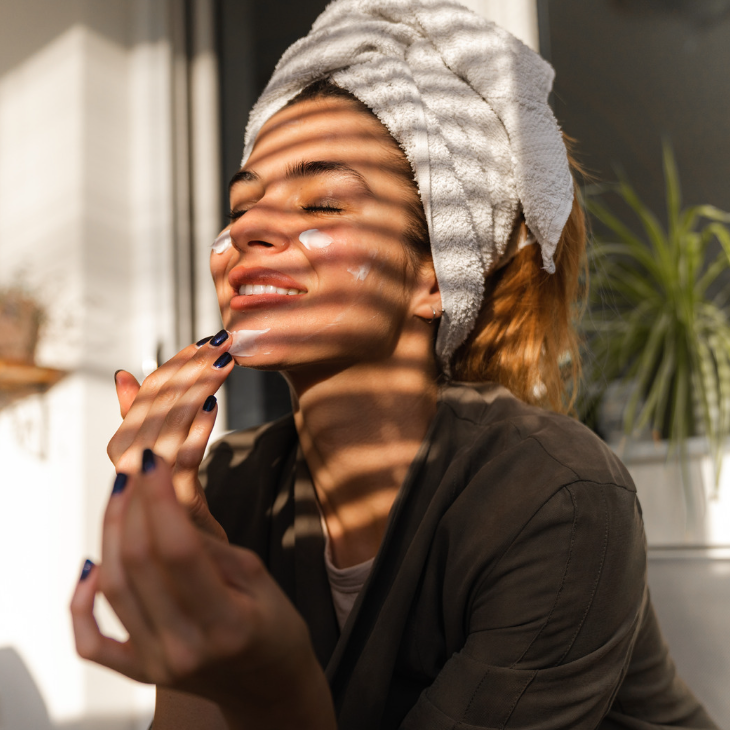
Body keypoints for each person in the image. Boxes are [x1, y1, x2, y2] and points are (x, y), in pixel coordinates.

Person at [70, 1, 718, 728]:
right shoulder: (232, 485)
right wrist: (186, 546)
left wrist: (277, 690)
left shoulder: (554, 498)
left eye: (322, 205)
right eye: (241, 205)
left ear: (433, 276)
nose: (247, 227)